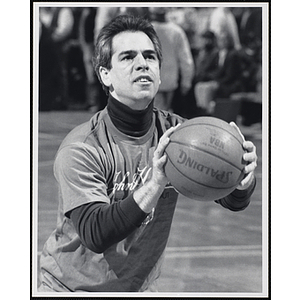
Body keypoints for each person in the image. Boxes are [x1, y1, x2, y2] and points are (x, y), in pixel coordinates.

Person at [38, 15, 258, 293]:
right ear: (105, 74)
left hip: (140, 288)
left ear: (159, 70)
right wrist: (154, 184)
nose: (142, 63)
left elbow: (232, 199)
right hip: (72, 287)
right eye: (128, 57)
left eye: (150, 56)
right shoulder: (83, 146)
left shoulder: (179, 134)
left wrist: (243, 179)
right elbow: (95, 233)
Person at [149, 7, 194, 111]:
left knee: (158, 112)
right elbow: (186, 59)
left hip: (153, 78)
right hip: (171, 81)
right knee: (165, 111)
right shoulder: (176, 31)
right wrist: (186, 82)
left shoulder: (148, 30)